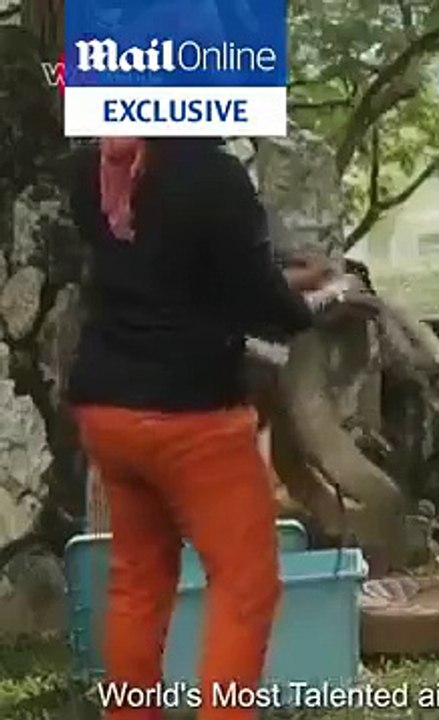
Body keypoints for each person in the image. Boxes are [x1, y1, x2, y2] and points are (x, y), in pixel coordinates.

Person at [67, 136, 333, 720]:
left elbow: (160, 272)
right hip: (190, 416)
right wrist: (311, 298)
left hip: (107, 407)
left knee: (138, 580)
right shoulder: (211, 172)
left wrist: (277, 279)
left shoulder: (93, 164)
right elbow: (251, 296)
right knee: (245, 584)